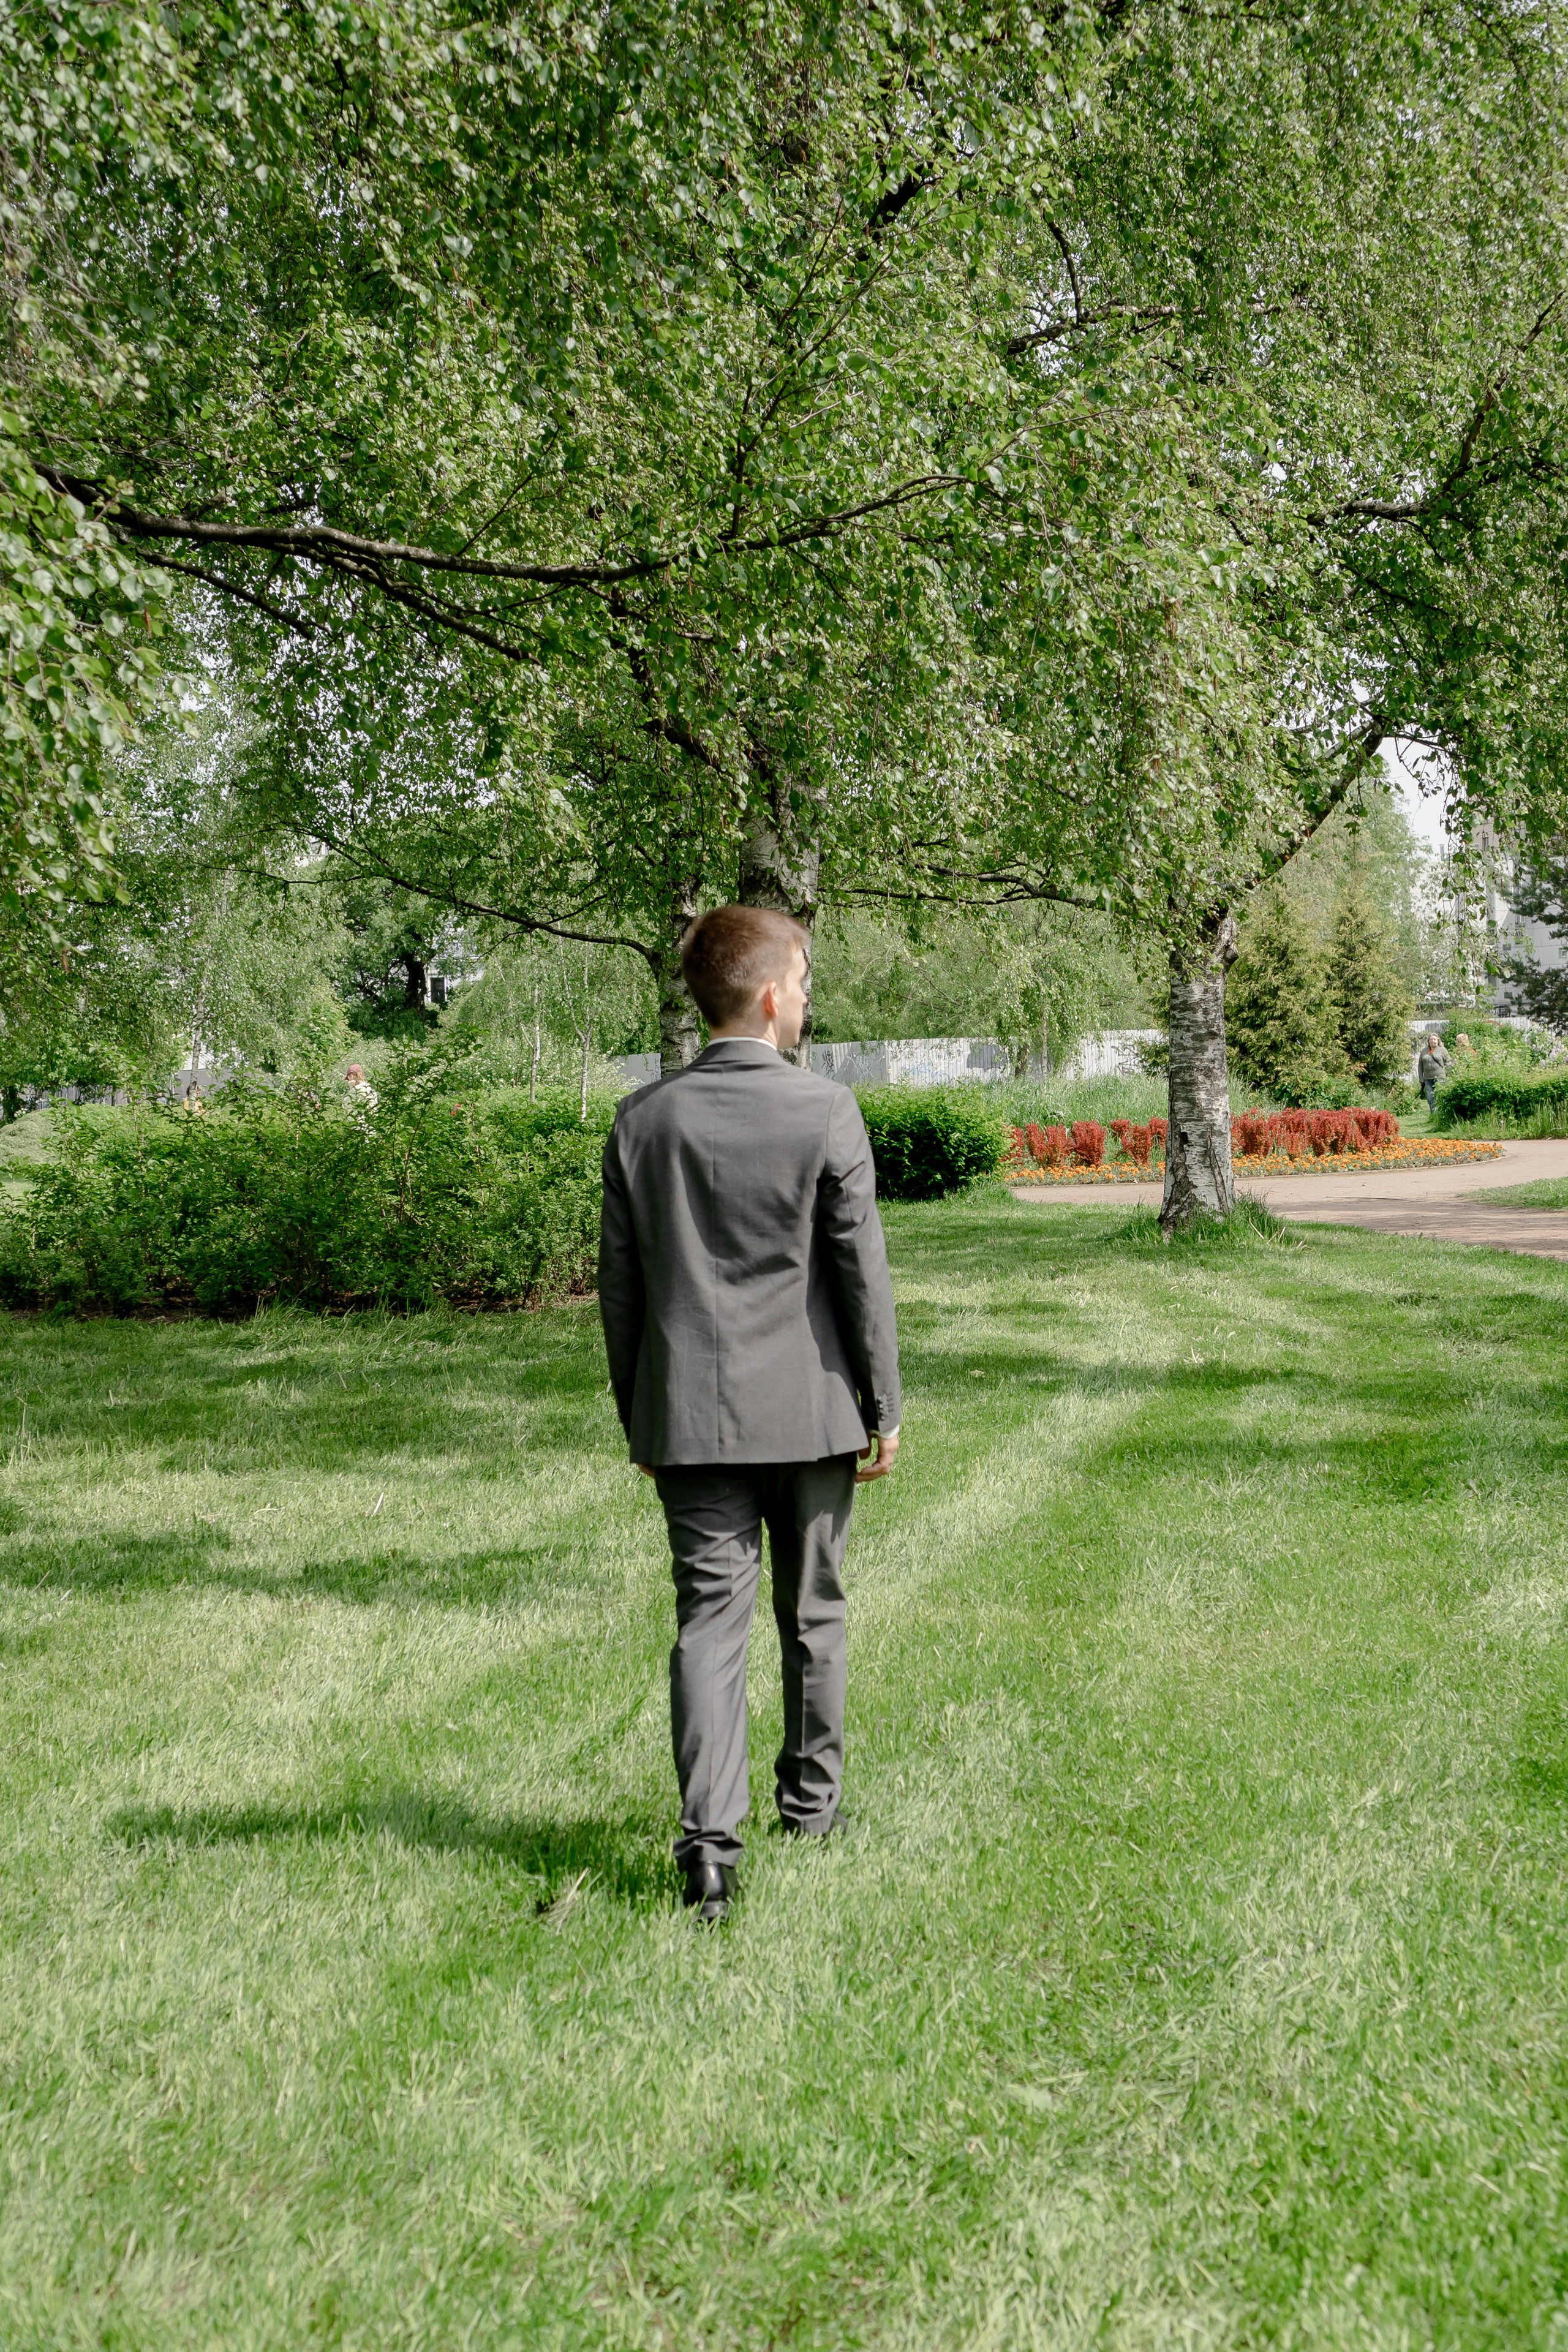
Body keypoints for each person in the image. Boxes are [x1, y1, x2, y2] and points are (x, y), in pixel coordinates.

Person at [598, 905, 902, 1923]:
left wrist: (643, 1417)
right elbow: (861, 1275)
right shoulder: (826, 1114)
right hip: (814, 1415)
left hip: (688, 1419)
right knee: (812, 1614)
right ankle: (810, 1811)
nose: (808, 1000)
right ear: (772, 998)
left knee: (707, 1626)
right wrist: (882, 1403)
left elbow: (623, 1291)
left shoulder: (642, 1122)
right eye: (805, 983)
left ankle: (709, 1855)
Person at [1417, 1031, 1449, 1112]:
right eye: (1431, 1039)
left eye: (1435, 1039)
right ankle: (1433, 1115)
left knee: (1441, 1096)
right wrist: (1421, 1078)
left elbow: (1449, 1062)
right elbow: (1420, 1066)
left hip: (1440, 1078)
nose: (1433, 1041)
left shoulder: (1443, 1050)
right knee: (1430, 1098)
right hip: (1428, 1079)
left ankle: (1442, 1114)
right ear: (1428, 1041)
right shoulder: (1424, 1051)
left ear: (1438, 1041)